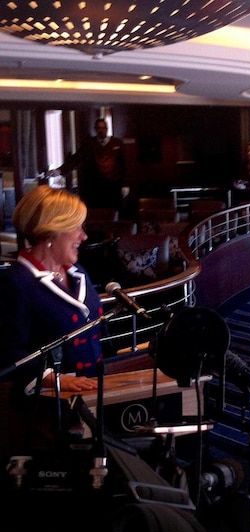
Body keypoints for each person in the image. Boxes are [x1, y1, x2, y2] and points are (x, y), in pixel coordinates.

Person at [0, 185, 100, 452]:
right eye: (77, 227)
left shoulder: (79, 273)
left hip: (94, 396)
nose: (84, 235)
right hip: (45, 410)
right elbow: (9, 354)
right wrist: (50, 379)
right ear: (52, 230)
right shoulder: (16, 283)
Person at [60, 118, 125, 211]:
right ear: (95, 129)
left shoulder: (117, 143)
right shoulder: (89, 144)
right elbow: (76, 159)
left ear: (107, 128)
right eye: (99, 128)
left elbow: (123, 166)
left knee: (113, 211)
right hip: (94, 186)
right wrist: (60, 170)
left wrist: (125, 184)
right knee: (96, 212)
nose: (102, 130)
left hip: (113, 185)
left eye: (104, 128)